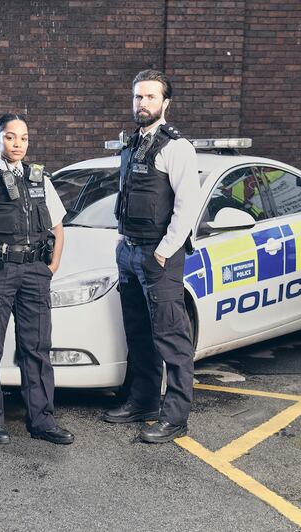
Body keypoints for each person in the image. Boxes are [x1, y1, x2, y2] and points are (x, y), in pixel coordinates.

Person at [0, 113, 74, 446]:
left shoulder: (40, 179)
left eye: (22, 138)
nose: (17, 143)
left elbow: (59, 227)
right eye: (10, 137)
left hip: (36, 274)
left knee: (36, 349)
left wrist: (52, 266)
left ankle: (43, 421)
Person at [103, 69, 200, 443]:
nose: (142, 104)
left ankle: (175, 417)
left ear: (165, 103)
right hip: (128, 251)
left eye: (150, 97)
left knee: (171, 337)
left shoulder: (177, 147)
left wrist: (162, 252)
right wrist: (120, 242)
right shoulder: (131, 144)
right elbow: (127, 199)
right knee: (139, 333)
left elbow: (187, 207)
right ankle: (143, 401)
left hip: (158, 257)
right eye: (137, 97)